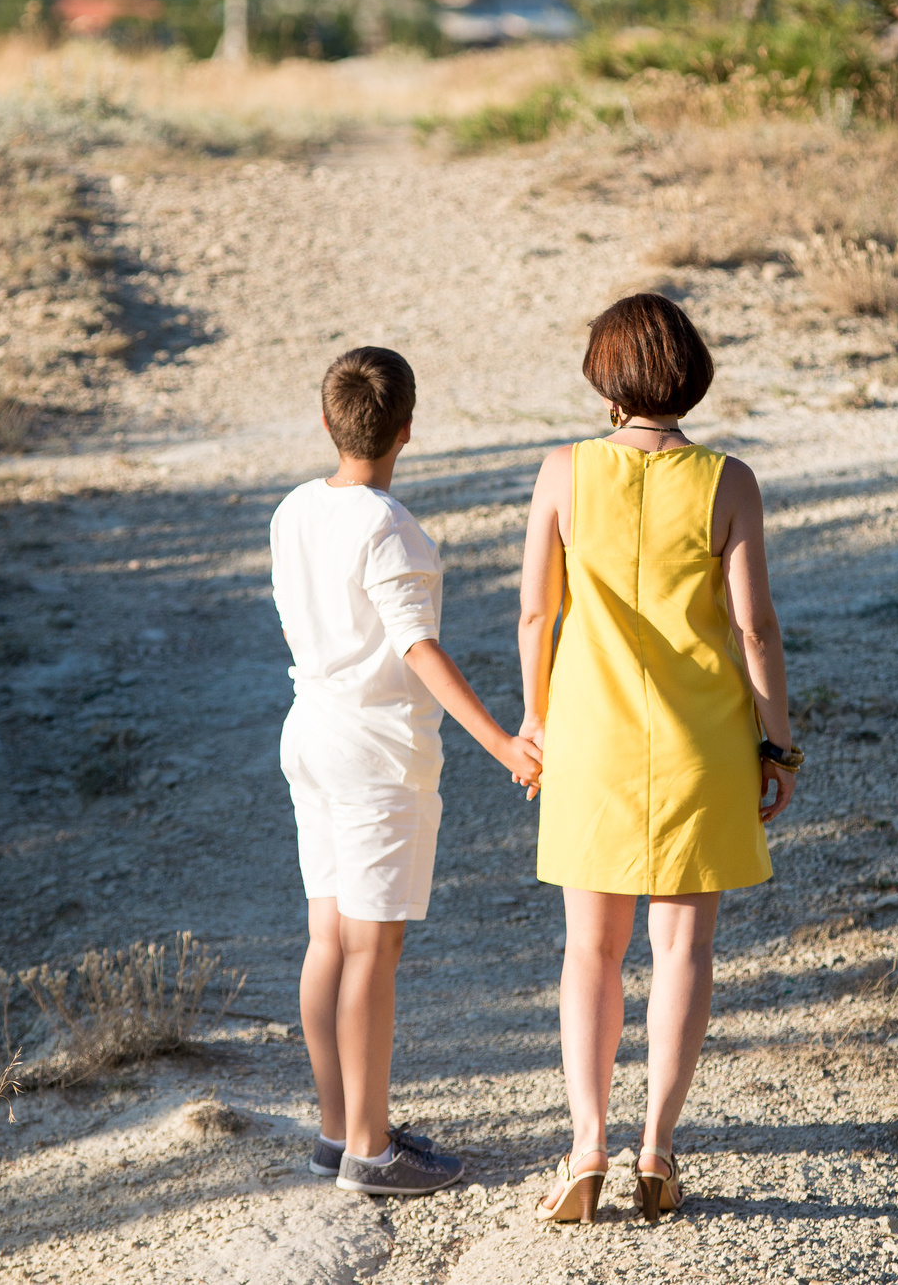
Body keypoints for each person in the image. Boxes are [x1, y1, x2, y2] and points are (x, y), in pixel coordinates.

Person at [515, 294, 802, 1223]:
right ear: (690, 373)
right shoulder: (730, 481)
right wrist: (780, 743)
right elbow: (754, 630)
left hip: (590, 742)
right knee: (684, 950)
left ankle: (586, 1149)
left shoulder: (562, 473)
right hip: (702, 746)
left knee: (589, 953)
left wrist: (534, 719)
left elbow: (535, 614)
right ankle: (658, 1150)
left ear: (607, 378)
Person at [272, 346, 542, 1196]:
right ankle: (371, 1149)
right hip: (375, 754)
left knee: (328, 939)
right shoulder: (392, 530)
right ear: (408, 430)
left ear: (327, 421)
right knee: (373, 951)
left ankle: (335, 1129)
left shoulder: (293, 509)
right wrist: (504, 742)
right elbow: (416, 648)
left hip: (309, 736)